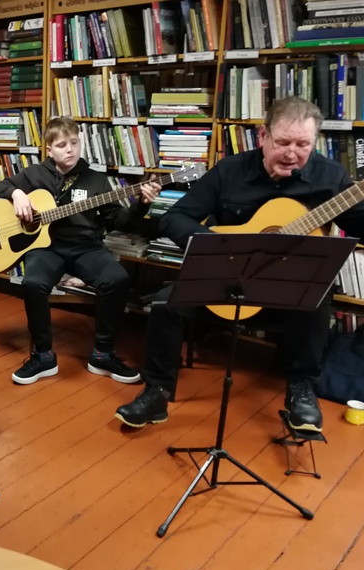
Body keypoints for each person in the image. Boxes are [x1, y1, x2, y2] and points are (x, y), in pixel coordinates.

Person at [114, 96, 364, 433]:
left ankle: (301, 389)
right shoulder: (230, 170)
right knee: (164, 303)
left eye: (303, 144)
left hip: (285, 291)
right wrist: (217, 249)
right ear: (263, 136)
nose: (292, 154)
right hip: (227, 284)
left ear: (314, 141)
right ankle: (156, 391)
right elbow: (174, 218)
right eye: (283, 142)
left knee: (317, 301)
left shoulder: (330, 177)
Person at [0, 116, 160, 385]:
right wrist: (16, 193)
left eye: (74, 143)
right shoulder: (34, 174)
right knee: (33, 283)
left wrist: (141, 205)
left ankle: (103, 355)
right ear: (49, 149)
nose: (70, 149)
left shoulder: (96, 180)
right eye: (61, 145)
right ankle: (43, 356)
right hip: (46, 248)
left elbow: (119, 221)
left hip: (86, 247)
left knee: (117, 279)